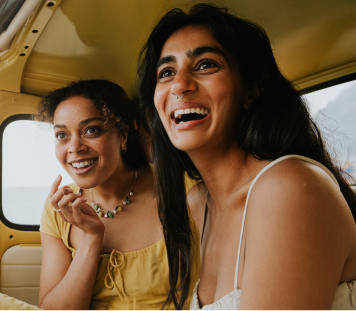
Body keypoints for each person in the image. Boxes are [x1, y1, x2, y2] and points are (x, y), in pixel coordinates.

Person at [0, 79, 200, 310]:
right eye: (62, 135)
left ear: (123, 134)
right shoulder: (59, 208)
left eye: (91, 130)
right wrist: (91, 239)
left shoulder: (185, 190)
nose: (74, 147)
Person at [138, 3, 356, 309]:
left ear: (250, 90)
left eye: (205, 65)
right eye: (166, 72)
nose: (179, 85)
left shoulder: (288, 187)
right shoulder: (200, 203)